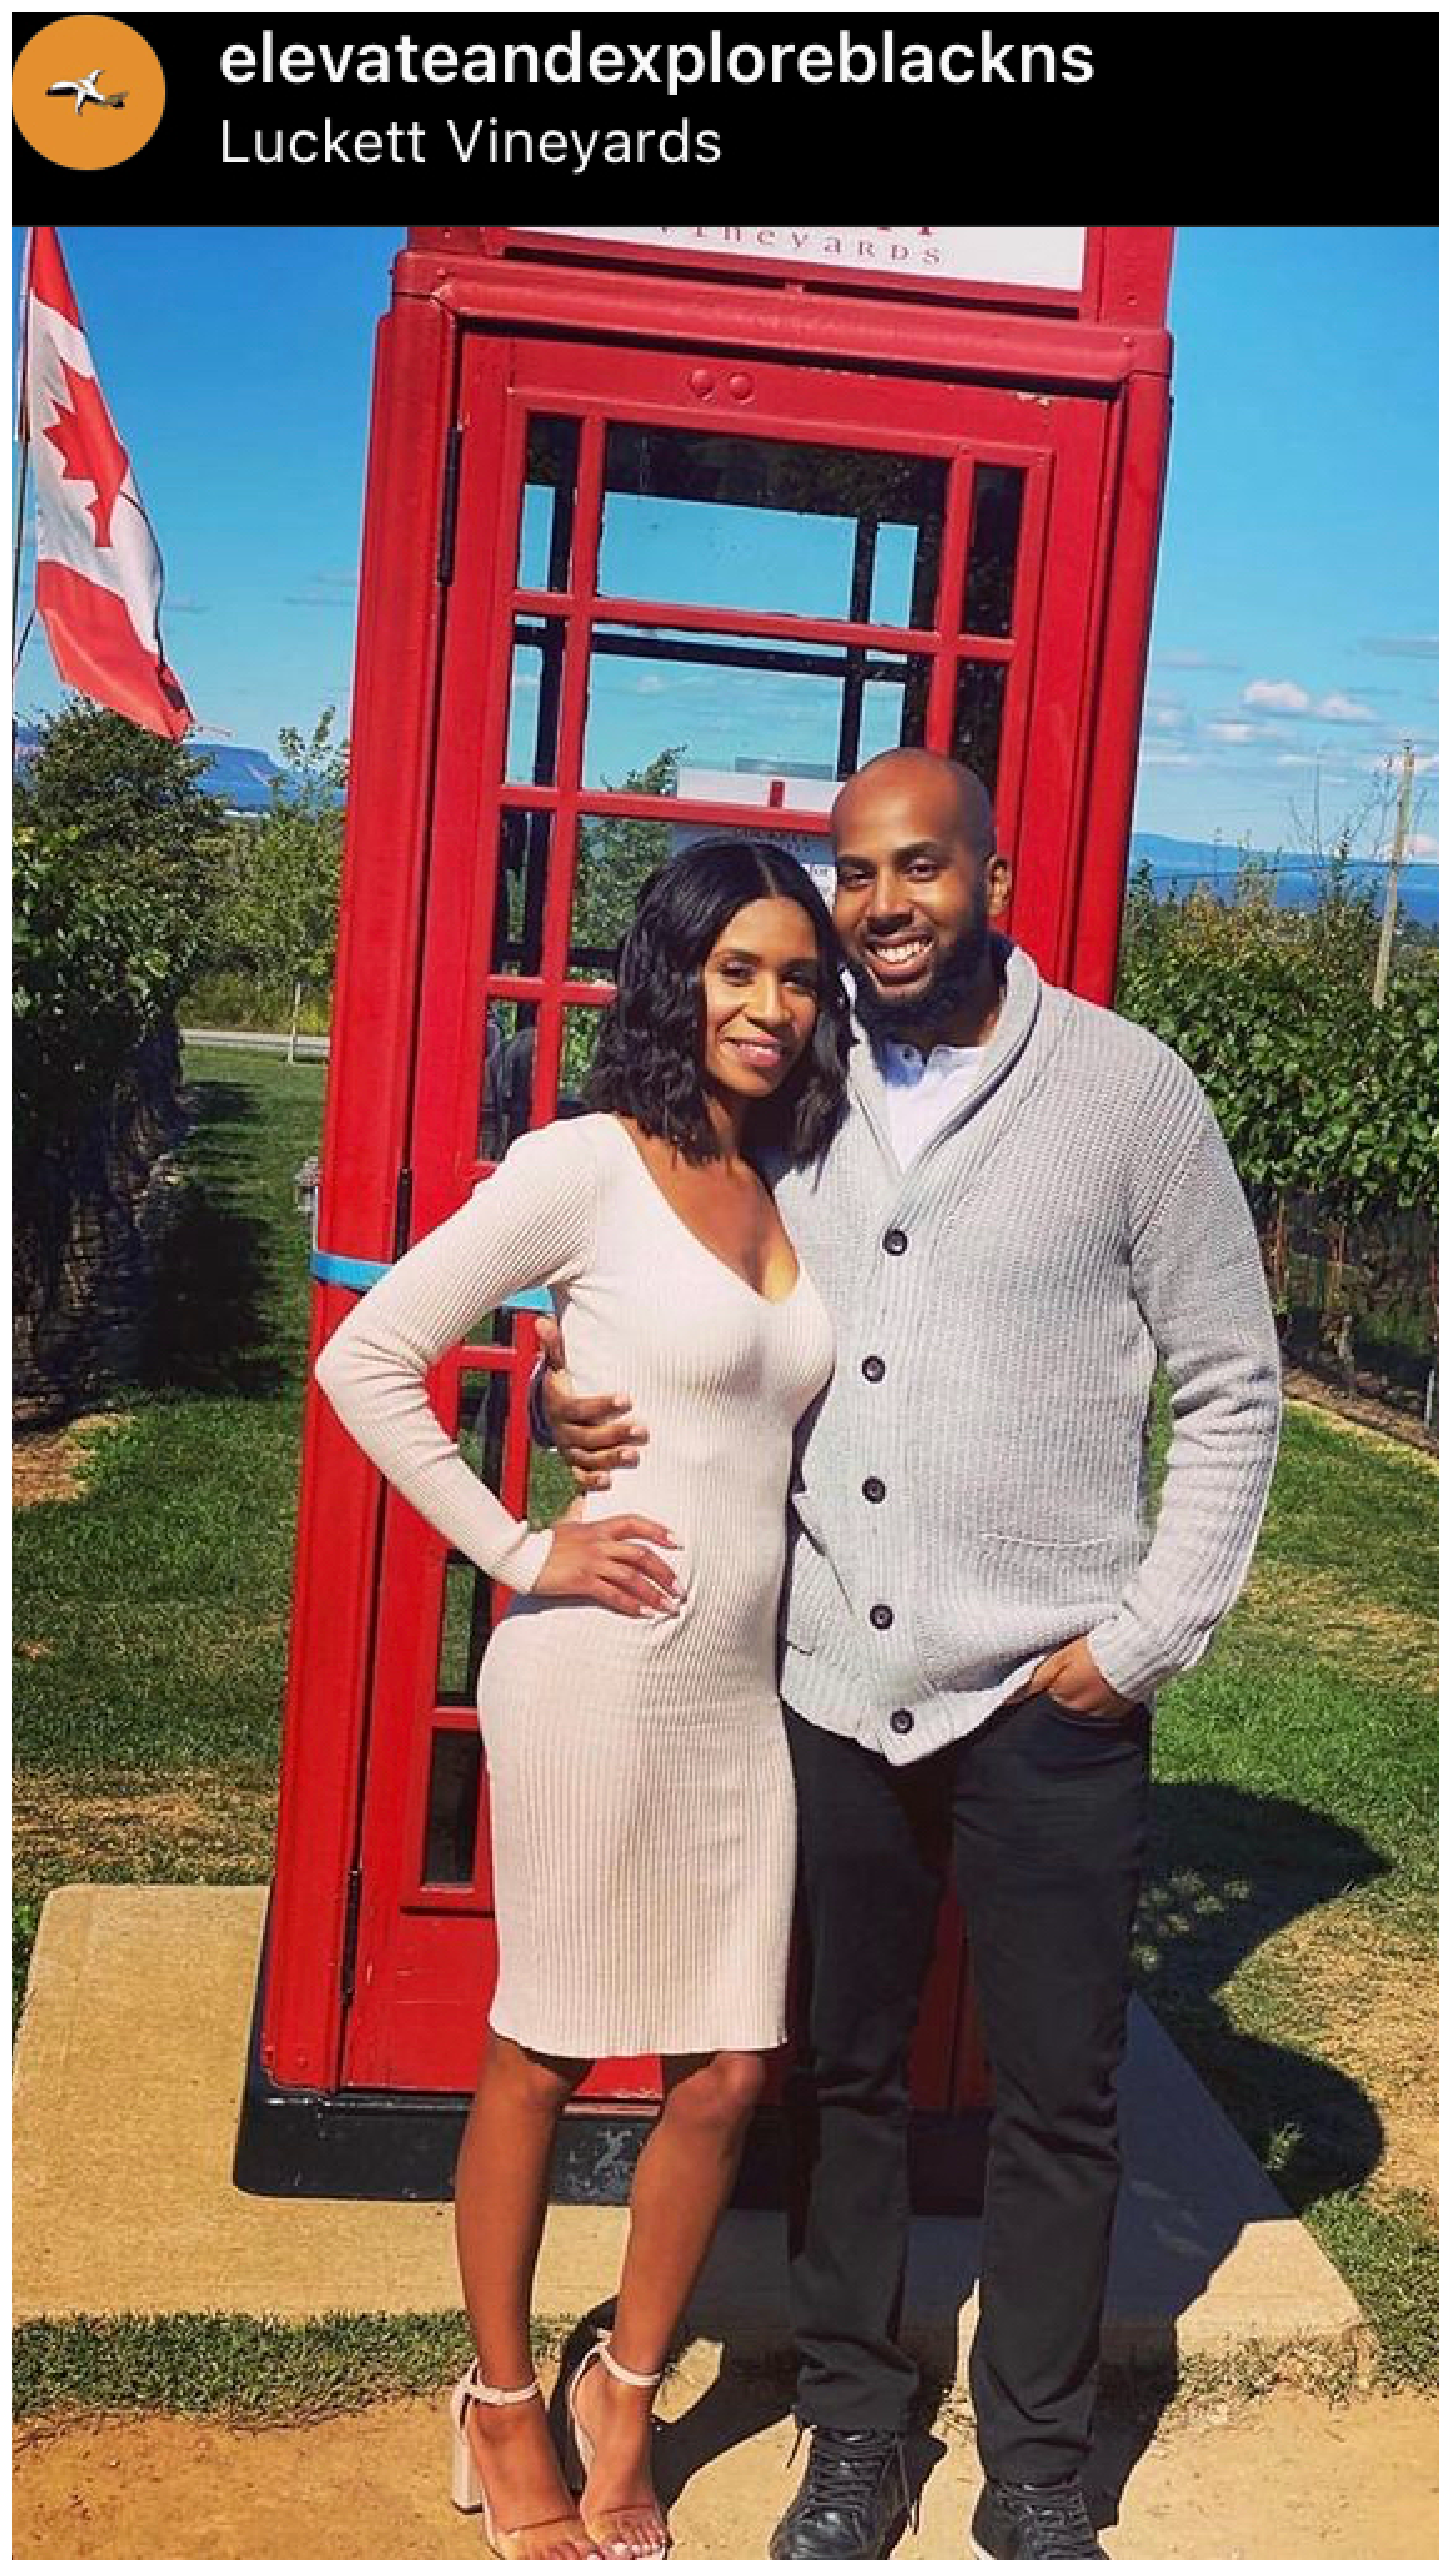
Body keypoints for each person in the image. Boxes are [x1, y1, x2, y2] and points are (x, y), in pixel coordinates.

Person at [542, 747, 1284, 2562]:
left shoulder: (1128, 1095)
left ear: (990, 876)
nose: (879, 907)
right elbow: (650, 1244)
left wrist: (1142, 1638)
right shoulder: (800, 1078)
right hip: (822, 1687)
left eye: (919, 869)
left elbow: (1236, 1384)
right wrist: (582, 1393)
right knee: (846, 2080)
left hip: (1048, 1699)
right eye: (855, 874)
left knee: (1056, 2098)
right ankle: (857, 2431)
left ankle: (1034, 2467)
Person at [316, 838, 854, 2560]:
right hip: (594, 1673)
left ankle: (623, 2383)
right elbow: (365, 1354)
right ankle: (494, 2396)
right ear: (677, 975)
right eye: (739, 970)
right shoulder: (585, 1164)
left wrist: (569, 1389)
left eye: (797, 977)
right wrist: (514, 1543)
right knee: (544, 2042)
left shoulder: (795, 1181)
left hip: (736, 1694)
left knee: (729, 2067)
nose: (770, 1007)